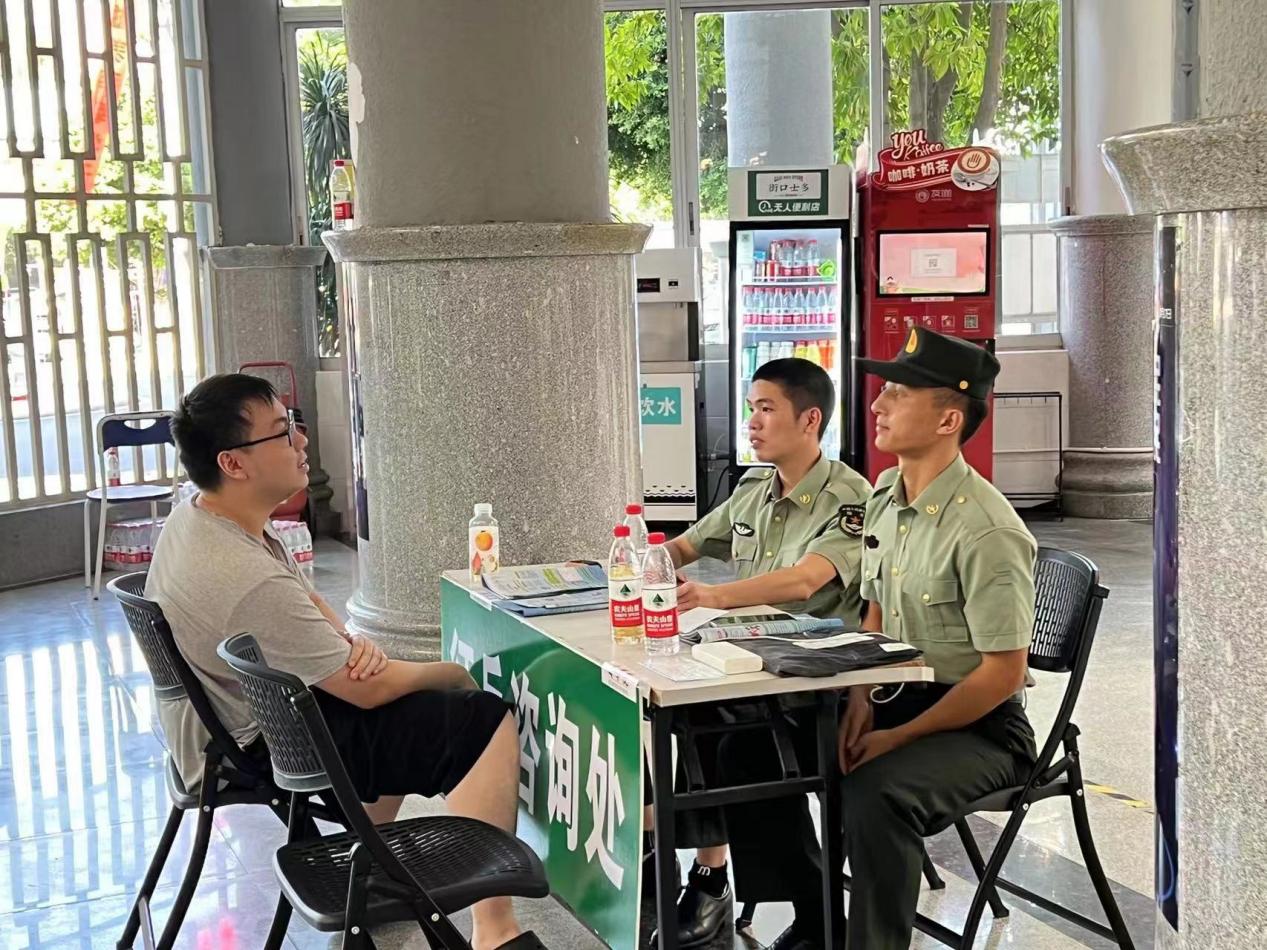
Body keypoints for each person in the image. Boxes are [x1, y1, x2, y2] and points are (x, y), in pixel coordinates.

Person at [145, 373, 541, 950]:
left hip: (237, 723)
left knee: (408, 702)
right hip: (268, 744)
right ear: (233, 463)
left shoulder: (200, 516)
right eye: (282, 432)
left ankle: (374, 874)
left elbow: (305, 601)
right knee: (477, 720)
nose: (301, 441)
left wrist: (345, 639)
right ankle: (494, 930)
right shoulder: (241, 576)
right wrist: (452, 673)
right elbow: (367, 691)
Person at [717, 328, 1038, 950]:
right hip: (890, 696)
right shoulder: (888, 494)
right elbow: (876, 613)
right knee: (748, 749)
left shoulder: (986, 529)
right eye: (883, 390)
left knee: (875, 790)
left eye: (898, 394)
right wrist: (862, 700)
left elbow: (1001, 674)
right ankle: (817, 921)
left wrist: (899, 735)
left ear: (948, 420)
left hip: (978, 726)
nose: (877, 404)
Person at [648, 358, 871, 947]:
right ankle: (704, 873)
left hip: (815, 683)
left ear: (810, 420)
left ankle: (810, 913)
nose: (752, 422)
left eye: (767, 409)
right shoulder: (754, 490)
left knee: (742, 745)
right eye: (751, 408)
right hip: (753, 667)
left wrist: (715, 595)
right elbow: (687, 545)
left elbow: (805, 580)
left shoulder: (849, 499)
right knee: (685, 710)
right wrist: (628, 566)